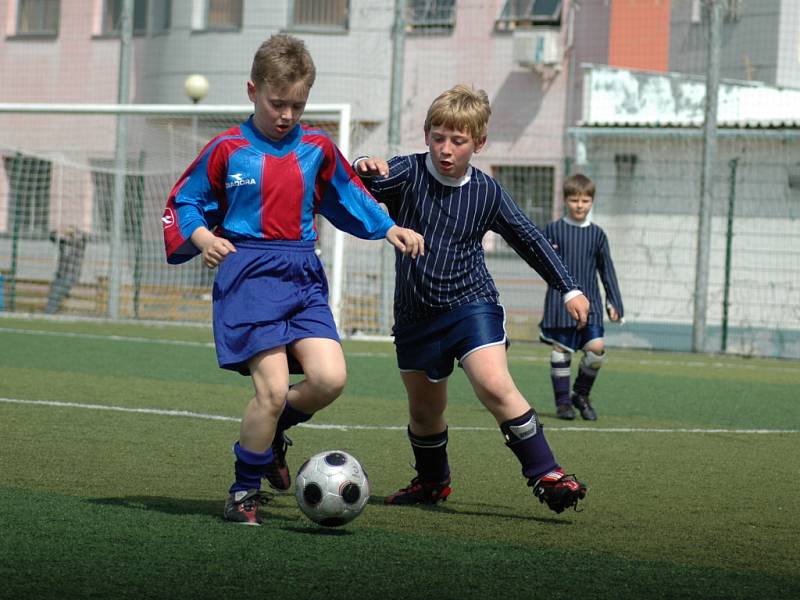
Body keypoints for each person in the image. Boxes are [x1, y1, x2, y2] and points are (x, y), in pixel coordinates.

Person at [162, 34, 424, 526]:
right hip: (249, 274)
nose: (286, 114)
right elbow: (184, 203)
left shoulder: (319, 148)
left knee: (329, 379)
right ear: (252, 90)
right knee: (273, 390)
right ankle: (243, 493)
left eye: (297, 105)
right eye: (276, 102)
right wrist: (201, 238)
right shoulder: (226, 149)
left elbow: (350, 196)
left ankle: (271, 437)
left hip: (302, 273)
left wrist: (389, 228)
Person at [354, 84, 590, 515]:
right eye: (438, 136)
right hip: (414, 314)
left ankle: (547, 475)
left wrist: (569, 287)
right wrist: (362, 167)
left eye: (458, 141)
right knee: (426, 411)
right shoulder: (407, 172)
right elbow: (357, 185)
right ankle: (432, 483)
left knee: (494, 384)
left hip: (471, 304)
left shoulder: (487, 191)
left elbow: (529, 239)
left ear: (479, 143)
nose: (446, 149)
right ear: (426, 133)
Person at [539, 173, 624, 421]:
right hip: (560, 302)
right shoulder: (553, 230)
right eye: (575, 199)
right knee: (561, 351)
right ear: (566, 200)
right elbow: (542, 262)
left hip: (592, 303)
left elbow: (607, 270)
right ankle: (563, 404)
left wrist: (614, 302)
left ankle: (581, 394)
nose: (579, 205)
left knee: (596, 349)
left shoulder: (598, 235)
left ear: (591, 202)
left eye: (585, 200)